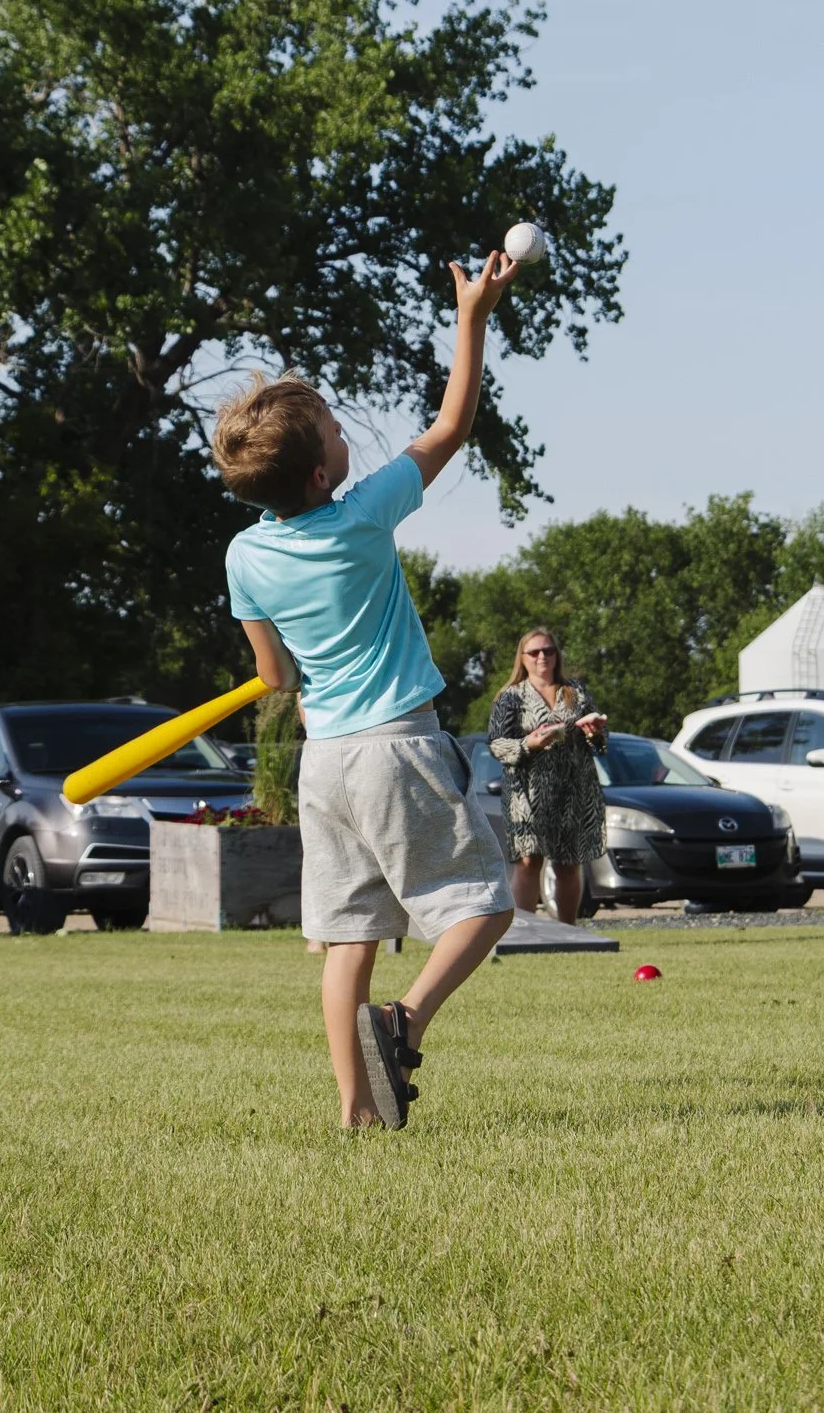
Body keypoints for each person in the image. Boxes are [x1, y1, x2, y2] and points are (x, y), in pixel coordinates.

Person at [215, 247, 522, 1129]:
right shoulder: (361, 512)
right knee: (484, 905)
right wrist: (472, 317)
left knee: (347, 938)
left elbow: (274, 676)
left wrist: (281, 673)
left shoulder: (245, 555)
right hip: (399, 743)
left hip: (327, 763)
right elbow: (450, 426)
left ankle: (356, 1111)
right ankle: (407, 1019)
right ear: (320, 474)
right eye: (338, 434)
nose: (354, 440)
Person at [486, 629, 608, 925]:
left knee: (568, 863)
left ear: (557, 655)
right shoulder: (510, 697)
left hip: (573, 788)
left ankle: (568, 931)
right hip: (526, 790)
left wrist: (596, 733)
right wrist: (530, 743)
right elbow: (497, 745)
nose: (543, 657)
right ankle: (523, 932)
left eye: (549, 651)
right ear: (523, 659)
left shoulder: (575, 692)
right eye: (535, 652)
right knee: (528, 860)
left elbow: (600, 745)